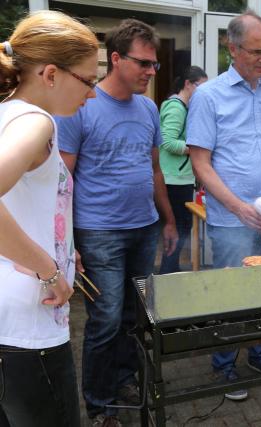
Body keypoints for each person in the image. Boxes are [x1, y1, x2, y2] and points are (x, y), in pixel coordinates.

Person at [56, 19, 178, 426]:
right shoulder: (81, 106)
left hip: (144, 229)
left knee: (134, 316)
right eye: (143, 63)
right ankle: (99, 403)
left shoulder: (148, 108)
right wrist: (68, 240)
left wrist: (168, 220)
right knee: (105, 320)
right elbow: (63, 180)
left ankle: (125, 381)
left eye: (154, 65)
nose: (150, 72)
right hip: (99, 232)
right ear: (115, 59)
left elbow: (155, 169)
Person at [188, 10, 261, 402]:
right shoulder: (207, 97)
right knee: (233, 291)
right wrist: (237, 207)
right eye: (256, 51)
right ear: (232, 49)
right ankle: (223, 365)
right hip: (231, 219)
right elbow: (200, 162)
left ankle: (260, 354)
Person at [0, 10, 98, 427]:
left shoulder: (6, 112)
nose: (93, 94)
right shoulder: (36, 122)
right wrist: (47, 269)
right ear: (51, 74)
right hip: (29, 331)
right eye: (89, 80)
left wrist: (60, 255)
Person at [158, 65, 208, 274]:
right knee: (179, 229)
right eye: (200, 87)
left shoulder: (183, 107)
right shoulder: (177, 107)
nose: (203, 93)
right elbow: (167, 141)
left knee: (181, 229)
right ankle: (168, 275)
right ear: (188, 84)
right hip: (174, 179)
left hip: (180, 177)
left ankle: (171, 271)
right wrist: (195, 150)